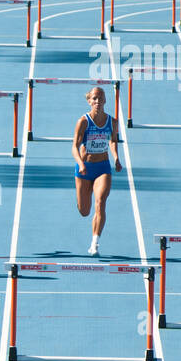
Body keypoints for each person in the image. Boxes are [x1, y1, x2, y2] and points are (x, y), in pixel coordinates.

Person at [72, 86, 121, 255]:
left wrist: (116, 158)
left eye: (100, 98)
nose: (98, 101)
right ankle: (82, 198)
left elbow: (113, 141)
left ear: (105, 100)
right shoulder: (83, 122)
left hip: (102, 167)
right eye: (94, 98)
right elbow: (74, 147)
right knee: (84, 211)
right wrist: (81, 163)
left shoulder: (112, 122)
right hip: (85, 170)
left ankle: (95, 243)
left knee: (100, 202)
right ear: (89, 101)